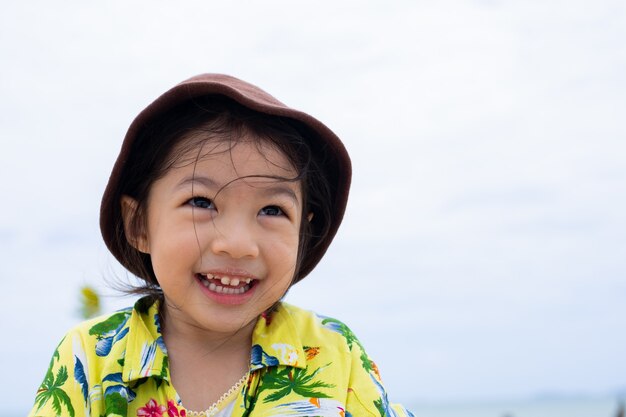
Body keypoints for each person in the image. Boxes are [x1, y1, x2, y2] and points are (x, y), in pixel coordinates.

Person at [28, 74, 414, 417]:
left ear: (302, 233)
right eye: (201, 202)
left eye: (272, 209)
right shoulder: (89, 357)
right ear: (139, 223)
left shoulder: (334, 351)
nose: (238, 245)